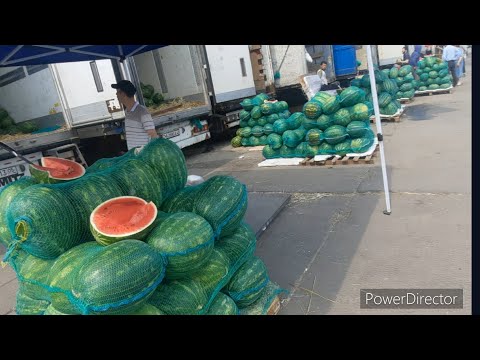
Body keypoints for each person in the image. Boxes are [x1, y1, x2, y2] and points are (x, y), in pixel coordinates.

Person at [111, 80, 159, 150]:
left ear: (123, 94)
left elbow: (153, 134)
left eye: (118, 92)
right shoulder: (127, 111)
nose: (116, 94)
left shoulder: (142, 112)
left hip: (143, 156)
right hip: (134, 156)